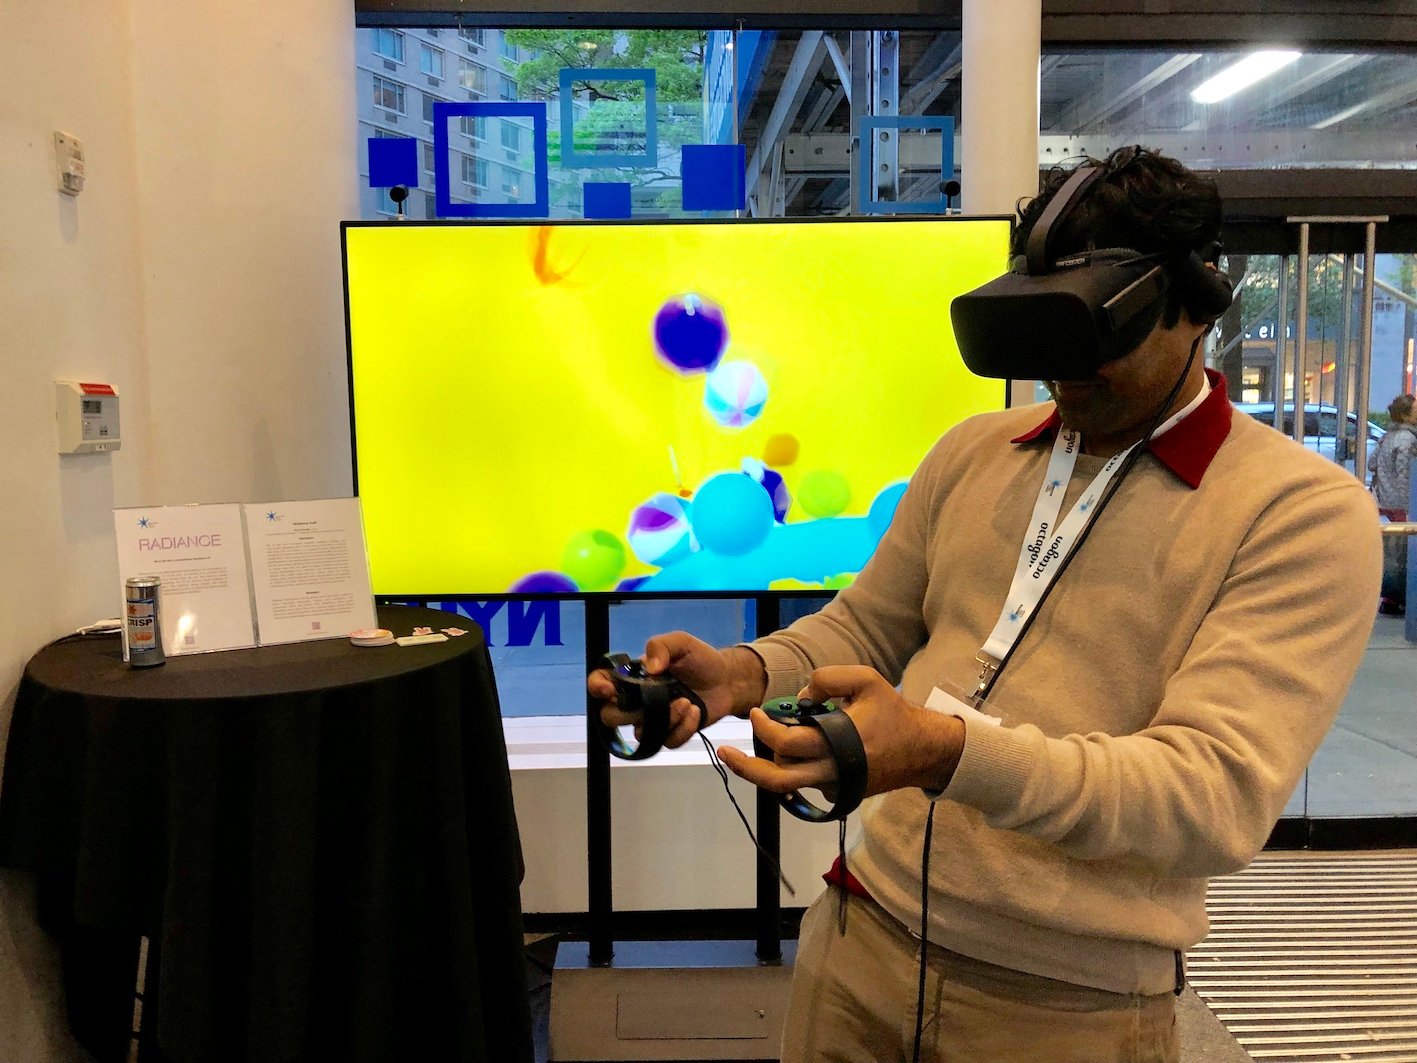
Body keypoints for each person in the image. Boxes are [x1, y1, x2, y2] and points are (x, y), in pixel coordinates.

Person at [589, 147, 1382, 1063]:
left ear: (1197, 301)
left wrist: (945, 750)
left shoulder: (1298, 513)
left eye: (1095, 335)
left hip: (1067, 1003)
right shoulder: (973, 452)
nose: (1064, 373)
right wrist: (742, 672)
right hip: (859, 940)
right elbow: (865, 627)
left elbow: (1208, 795)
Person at [1372, 392, 1417, 614]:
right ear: (1406, 415)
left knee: (1391, 554)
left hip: (1384, 500)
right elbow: (1405, 474)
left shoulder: (1386, 437)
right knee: (1403, 555)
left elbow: (1372, 464)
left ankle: (1389, 598)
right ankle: (1399, 597)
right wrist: (1410, 503)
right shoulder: (1408, 440)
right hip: (1401, 504)